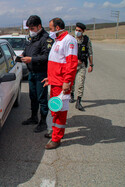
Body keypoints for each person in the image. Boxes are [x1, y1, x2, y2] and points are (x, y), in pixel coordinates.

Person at [42, 18, 78, 149]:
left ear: (57, 28)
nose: (49, 31)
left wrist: (67, 81)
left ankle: (56, 139)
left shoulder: (69, 40)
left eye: (51, 28)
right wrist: (50, 78)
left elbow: (71, 63)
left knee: (59, 111)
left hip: (62, 84)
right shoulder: (58, 40)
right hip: (55, 82)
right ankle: (56, 132)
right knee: (55, 109)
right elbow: (56, 62)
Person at [21, 15, 54, 133]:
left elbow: (46, 56)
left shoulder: (47, 39)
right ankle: (34, 117)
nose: (31, 31)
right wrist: (22, 56)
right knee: (33, 97)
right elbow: (27, 50)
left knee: (42, 98)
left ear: (39, 26)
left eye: (33, 28)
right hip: (32, 73)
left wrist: (32, 59)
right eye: (29, 28)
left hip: (41, 73)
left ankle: (43, 122)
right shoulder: (33, 38)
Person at [69, 22, 94, 111]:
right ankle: (71, 95)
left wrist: (91, 64)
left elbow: (90, 53)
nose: (77, 32)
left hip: (82, 65)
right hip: (72, 65)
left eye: (79, 31)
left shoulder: (86, 40)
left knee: (81, 83)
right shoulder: (71, 39)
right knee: (71, 82)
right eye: (76, 30)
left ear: (83, 31)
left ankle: (79, 101)